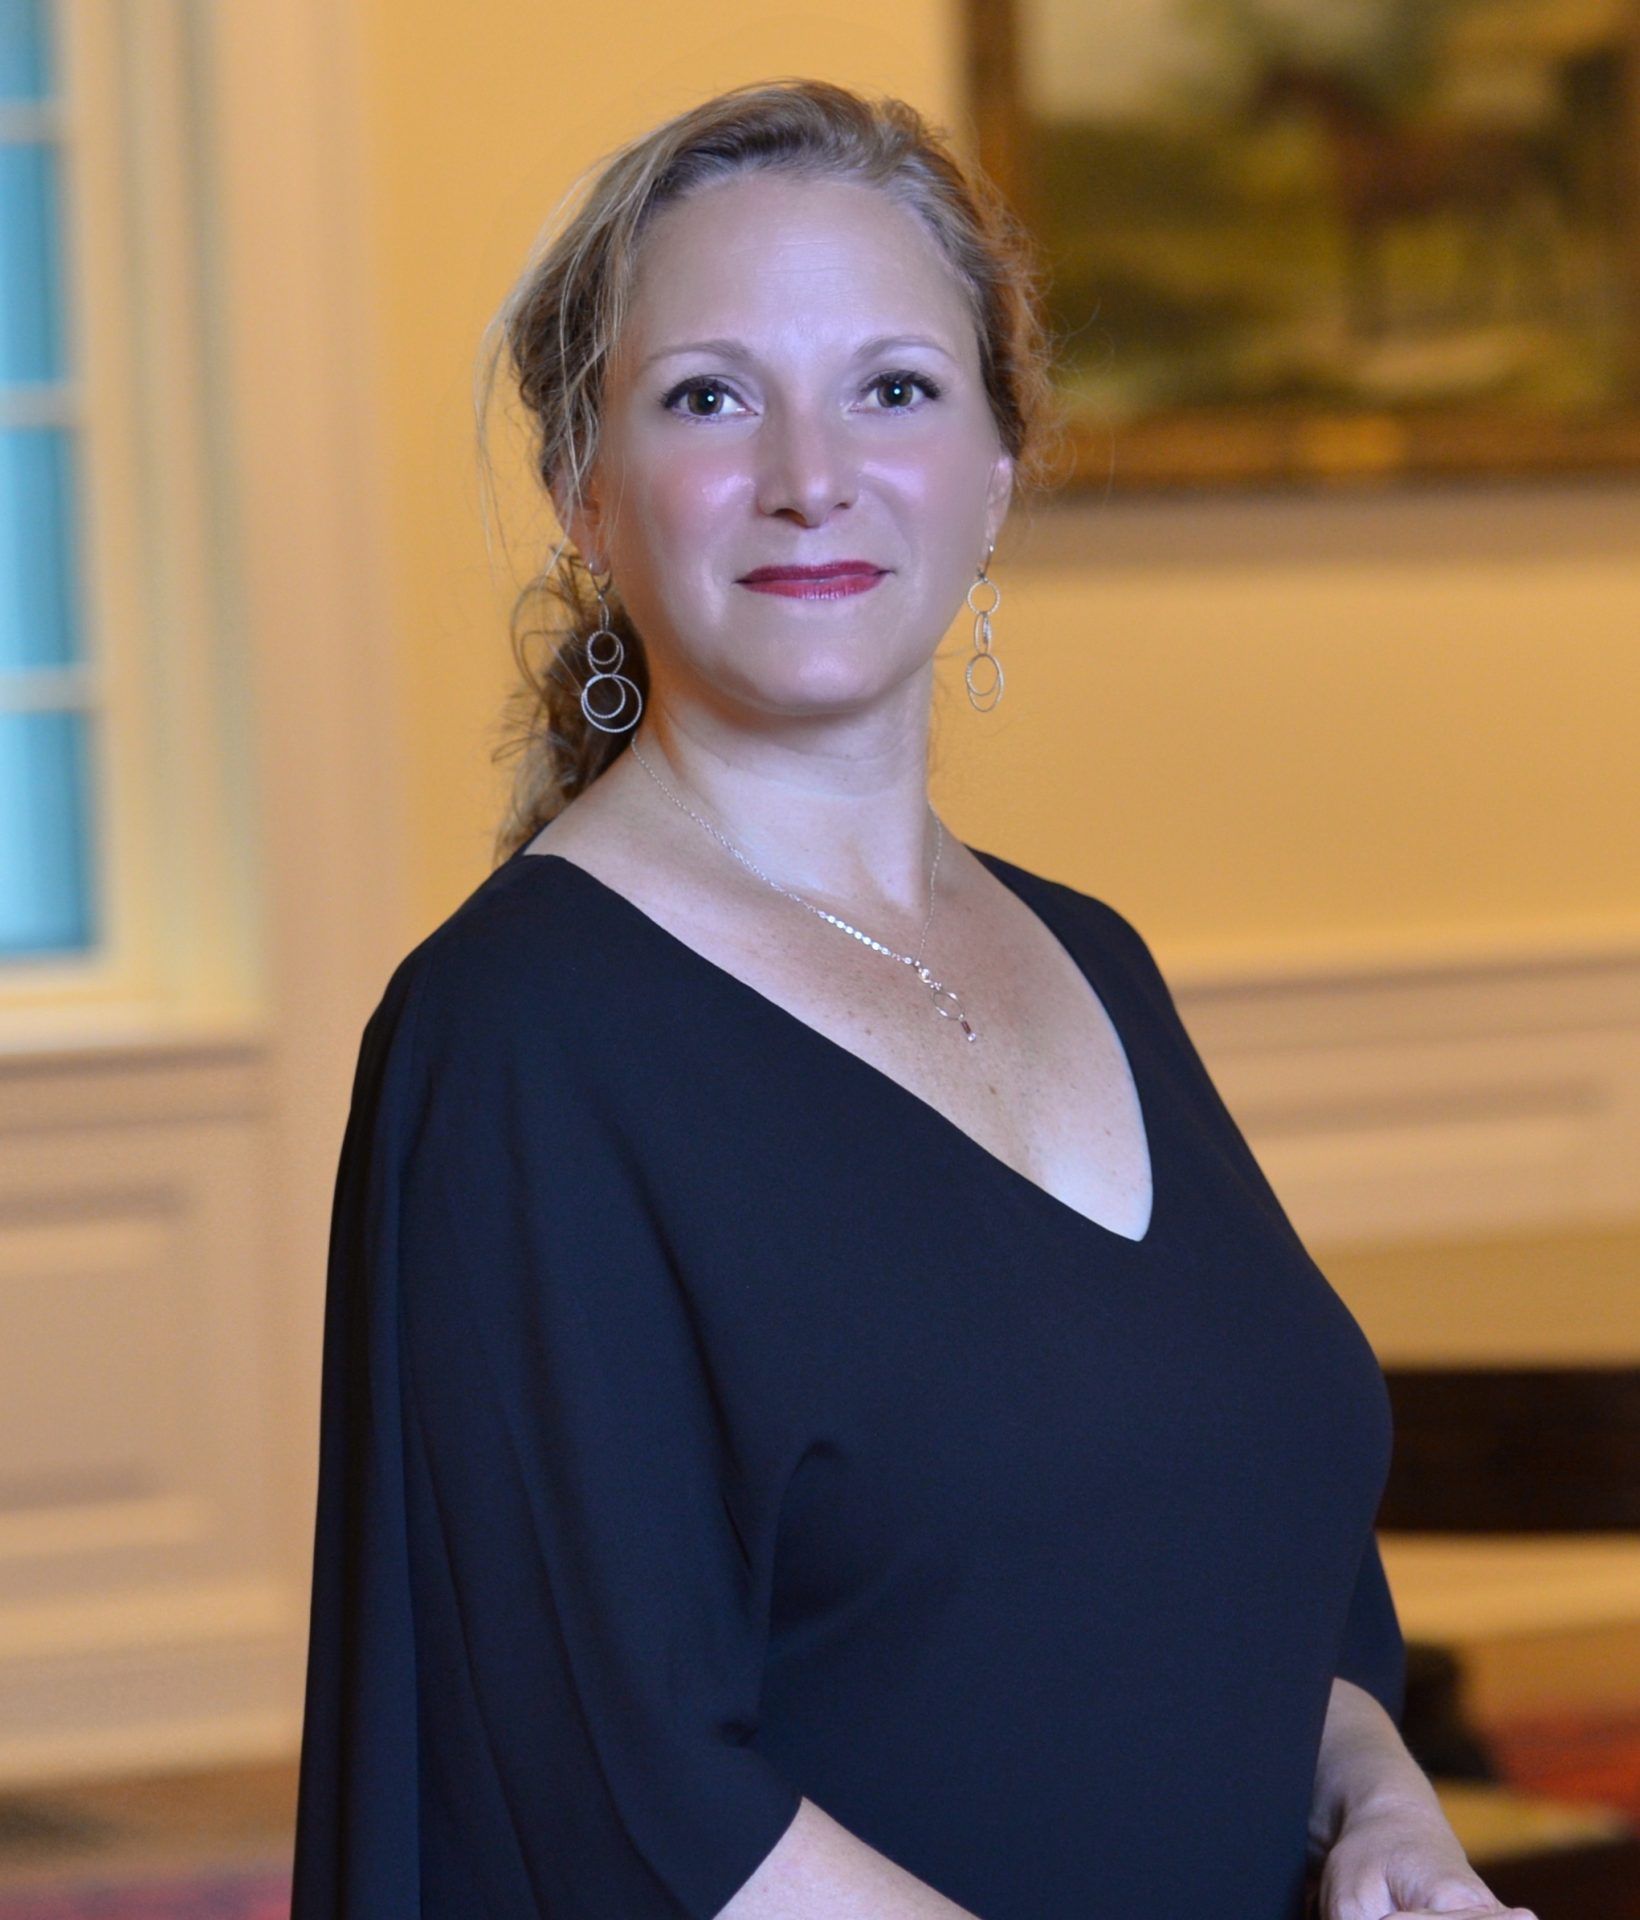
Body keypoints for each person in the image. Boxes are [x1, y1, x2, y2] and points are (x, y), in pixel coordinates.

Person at [289, 79, 1538, 1920]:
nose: (813, 474)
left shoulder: (1095, 958)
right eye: (709, 397)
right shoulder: (516, 1041)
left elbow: (1264, 1583)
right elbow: (618, 1794)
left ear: (996, 473)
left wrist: (1385, 1811)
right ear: (585, 493)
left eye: (894, 388)